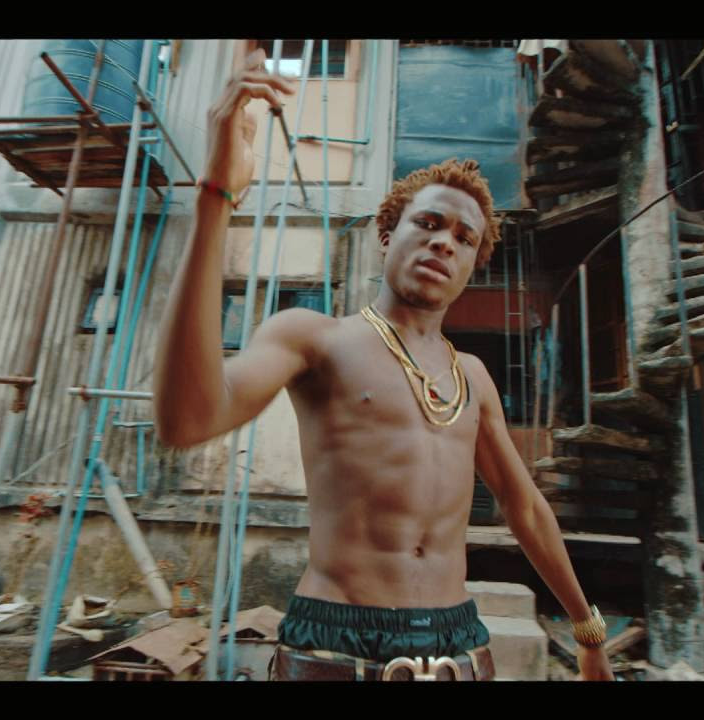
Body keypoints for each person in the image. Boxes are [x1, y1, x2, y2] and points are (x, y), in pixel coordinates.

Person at [154, 43, 614, 682]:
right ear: (389, 233)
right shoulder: (315, 337)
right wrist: (216, 197)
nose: (443, 242)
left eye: (464, 238)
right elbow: (187, 420)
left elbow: (526, 507)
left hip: (458, 648)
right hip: (335, 645)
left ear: (473, 265)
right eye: (428, 223)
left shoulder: (472, 377)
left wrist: (588, 633)